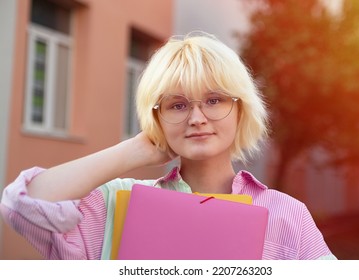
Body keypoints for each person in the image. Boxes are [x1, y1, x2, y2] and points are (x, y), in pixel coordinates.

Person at [0, 31, 336, 260]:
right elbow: (23, 205)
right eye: (177, 105)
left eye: (214, 100)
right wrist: (135, 150)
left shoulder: (285, 213)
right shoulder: (120, 200)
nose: (197, 118)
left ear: (241, 108)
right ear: (157, 117)